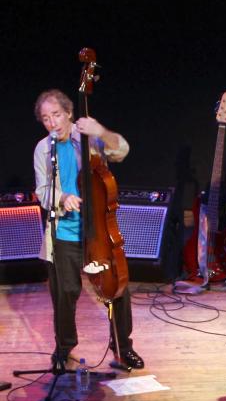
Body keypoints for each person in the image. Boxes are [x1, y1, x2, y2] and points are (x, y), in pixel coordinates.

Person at [33, 89, 145, 370]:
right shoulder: (43, 149)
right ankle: (64, 347)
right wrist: (60, 197)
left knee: (116, 287)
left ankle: (123, 346)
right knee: (65, 292)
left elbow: (122, 151)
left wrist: (101, 131)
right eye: (46, 119)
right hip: (64, 232)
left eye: (56, 115)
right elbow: (42, 189)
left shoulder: (90, 138)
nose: (52, 123)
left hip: (98, 231)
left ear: (69, 113)